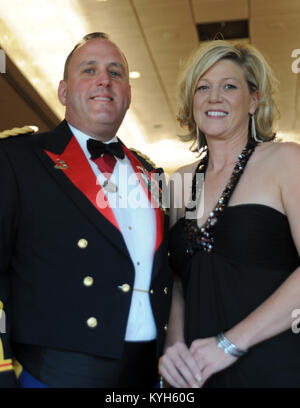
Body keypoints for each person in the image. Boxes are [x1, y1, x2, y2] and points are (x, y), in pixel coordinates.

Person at [0, 32, 172, 388]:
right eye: (89, 70)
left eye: (116, 72)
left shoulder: (152, 174)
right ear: (63, 92)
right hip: (54, 373)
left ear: (128, 94)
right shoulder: (17, 160)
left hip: (147, 374)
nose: (104, 80)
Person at [159, 39, 300, 388]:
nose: (214, 97)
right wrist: (174, 346)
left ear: (254, 100)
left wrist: (230, 344)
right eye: (202, 87)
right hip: (197, 372)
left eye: (229, 86)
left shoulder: (285, 160)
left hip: (276, 365)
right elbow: (178, 280)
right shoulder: (180, 181)